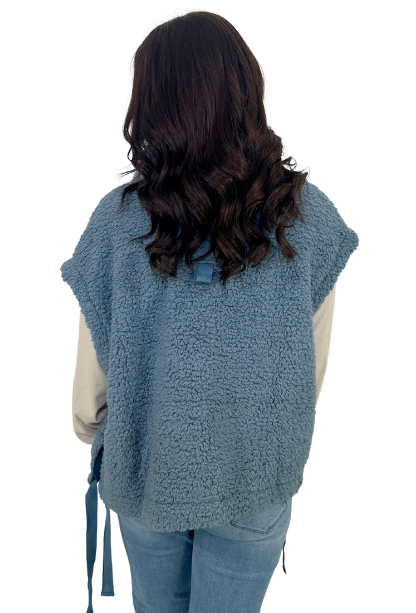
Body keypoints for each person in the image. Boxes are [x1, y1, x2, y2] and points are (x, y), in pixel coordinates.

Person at [61, 11, 359, 613]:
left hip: (148, 467)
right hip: (256, 469)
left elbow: (94, 378)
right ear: (247, 89)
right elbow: (310, 364)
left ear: (153, 104)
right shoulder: (306, 216)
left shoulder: (118, 222)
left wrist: (97, 430)